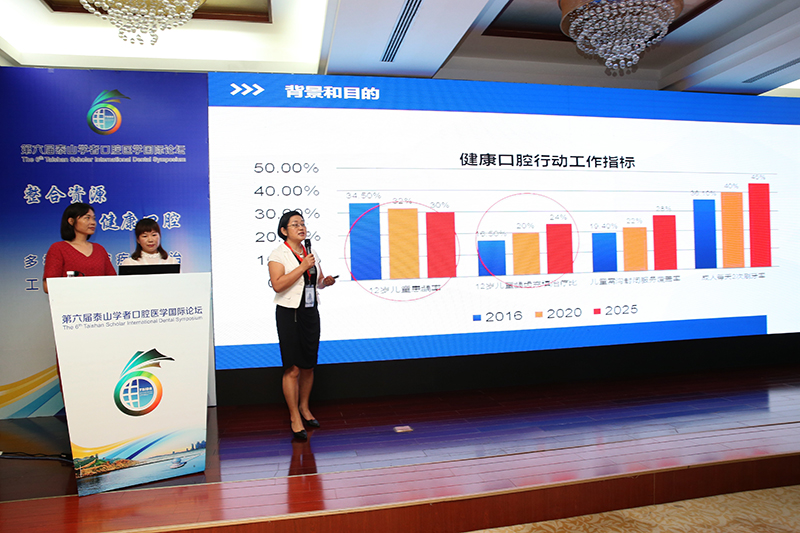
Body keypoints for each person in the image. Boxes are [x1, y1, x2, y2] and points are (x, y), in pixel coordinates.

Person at [268, 210, 336, 440]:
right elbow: (278, 285)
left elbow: (317, 282)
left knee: (308, 365)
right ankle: (294, 416)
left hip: (309, 311)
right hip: (289, 313)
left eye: (303, 223)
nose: (301, 227)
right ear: (284, 231)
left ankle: (305, 408)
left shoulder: (311, 252)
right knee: (293, 368)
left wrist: (325, 282)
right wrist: (302, 266)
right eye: (295, 224)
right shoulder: (278, 254)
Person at [43, 202, 116, 293]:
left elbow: (113, 281)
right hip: (71, 300)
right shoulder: (58, 248)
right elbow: (48, 286)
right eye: (87, 218)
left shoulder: (99, 249)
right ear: (71, 221)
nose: (93, 222)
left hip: (100, 300)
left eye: (94, 218)